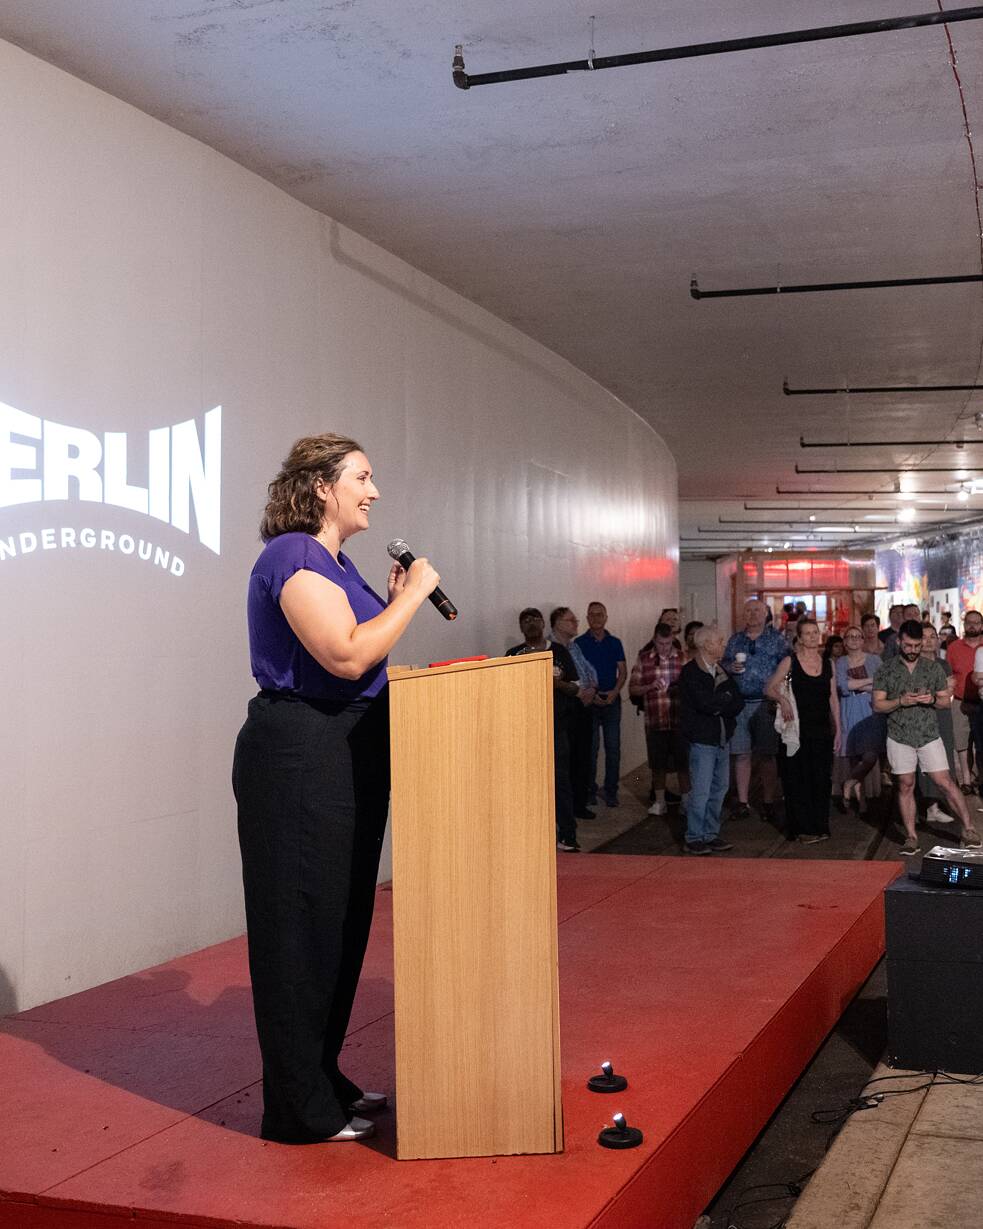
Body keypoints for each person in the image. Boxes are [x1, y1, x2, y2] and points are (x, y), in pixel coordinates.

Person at [232, 433, 440, 1144]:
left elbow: (361, 646)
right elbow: (345, 654)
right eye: (362, 476)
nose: (373, 490)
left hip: (345, 749)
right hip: (300, 756)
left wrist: (389, 602)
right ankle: (296, 1106)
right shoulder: (291, 555)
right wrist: (412, 597)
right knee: (300, 928)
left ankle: (320, 1076)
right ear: (321, 486)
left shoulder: (336, 564)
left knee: (339, 925)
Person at [872, 620, 981, 856]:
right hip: (899, 735)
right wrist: (900, 701)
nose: (913, 650)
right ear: (899, 642)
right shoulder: (886, 669)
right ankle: (911, 836)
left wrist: (930, 699)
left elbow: (944, 700)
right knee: (905, 784)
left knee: (945, 781)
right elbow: (878, 704)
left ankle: (969, 829)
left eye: (917, 646)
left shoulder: (933, 669)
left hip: (929, 734)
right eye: (909, 645)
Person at [506, 609, 581, 851]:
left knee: (560, 783)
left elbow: (575, 688)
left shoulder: (558, 652)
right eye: (525, 620)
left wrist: (553, 682)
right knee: (527, 785)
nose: (530, 624)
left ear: (542, 623)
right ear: (520, 627)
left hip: (556, 728)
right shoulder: (513, 655)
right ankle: (531, 836)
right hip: (525, 731)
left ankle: (568, 835)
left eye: (535, 619)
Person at [766, 618, 840, 843]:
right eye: (807, 633)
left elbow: (833, 699)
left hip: (821, 729)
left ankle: (820, 825)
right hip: (798, 728)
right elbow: (769, 687)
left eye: (815, 632)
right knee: (797, 779)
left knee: (821, 778)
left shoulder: (828, 664)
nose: (812, 636)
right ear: (799, 637)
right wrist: (783, 701)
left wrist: (838, 729)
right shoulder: (791, 662)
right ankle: (802, 828)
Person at [678, 626, 745, 855]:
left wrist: (721, 703)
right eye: (719, 641)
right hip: (703, 740)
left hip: (722, 738)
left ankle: (710, 833)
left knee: (719, 789)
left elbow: (737, 702)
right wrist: (723, 701)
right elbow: (704, 703)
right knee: (702, 790)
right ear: (707, 645)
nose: (724, 644)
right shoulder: (691, 673)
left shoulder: (720, 670)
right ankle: (694, 836)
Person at [722, 599, 791, 820]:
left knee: (767, 754)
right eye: (748, 610)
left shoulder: (777, 640)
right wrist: (730, 667)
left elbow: (789, 665)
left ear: (766, 614)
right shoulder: (735, 640)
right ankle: (743, 801)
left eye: (757, 611)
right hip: (740, 703)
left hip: (765, 703)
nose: (752, 615)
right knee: (741, 753)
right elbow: (722, 663)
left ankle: (768, 800)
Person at [629, 621, 686, 816]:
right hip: (655, 719)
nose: (664, 648)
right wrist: (650, 686)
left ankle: (686, 802)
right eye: (661, 644)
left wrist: (677, 687)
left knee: (683, 763)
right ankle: (660, 801)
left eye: (668, 643)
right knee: (658, 764)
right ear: (654, 640)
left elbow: (691, 685)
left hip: (678, 719)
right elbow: (633, 688)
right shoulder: (644, 658)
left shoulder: (681, 657)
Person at [548, 606, 598, 821]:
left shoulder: (574, 647)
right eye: (570, 620)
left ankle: (580, 802)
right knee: (568, 761)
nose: (576, 623)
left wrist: (591, 690)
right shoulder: (552, 649)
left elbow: (590, 672)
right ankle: (568, 808)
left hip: (583, 707)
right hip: (566, 710)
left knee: (583, 757)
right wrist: (579, 693)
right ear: (557, 623)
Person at [576, 602, 627, 807]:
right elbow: (579, 673)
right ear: (587, 618)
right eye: (592, 615)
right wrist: (592, 694)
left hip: (611, 701)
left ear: (606, 617)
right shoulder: (579, 643)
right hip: (589, 703)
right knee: (591, 749)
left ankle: (611, 790)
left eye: (600, 614)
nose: (596, 618)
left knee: (613, 748)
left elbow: (622, 671)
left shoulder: (615, 642)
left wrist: (615, 692)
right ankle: (589, 790)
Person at [836, 625, 887, 806]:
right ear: (845, 642)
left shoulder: (874, 660)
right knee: (853, 754)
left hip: (870, 708)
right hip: (849, 709)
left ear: (863, 640)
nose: (854, 639)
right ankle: (860, 798)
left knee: (869, 755)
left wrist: (856, 684)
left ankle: (850, 783)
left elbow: (883, 683)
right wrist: (869, 682)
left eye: (858, 636)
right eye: (850, 636)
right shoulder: (841, 662)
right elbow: (843, 686)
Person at [917, 625, 959, 827]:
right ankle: (927, 806)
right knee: (923, 762)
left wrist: (939, 690)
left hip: (942, 716)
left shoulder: (943, 664)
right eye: (924, 637)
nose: (929, 641)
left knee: (944, 758)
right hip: (921, 718)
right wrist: (941, 688)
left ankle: (937, 805)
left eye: (933, 636)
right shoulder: (913, 664)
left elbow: (949, 691)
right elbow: (921, 692)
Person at [945, 609, 983, 794]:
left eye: (976, 622)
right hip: (960, 701)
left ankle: (981, 779)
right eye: (969, 622)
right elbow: (948, 674)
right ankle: (966, 780)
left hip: (981, 703)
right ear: (964, 624)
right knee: (961, 744)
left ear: (981, 626)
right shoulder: (954, 648)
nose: (973, 625)